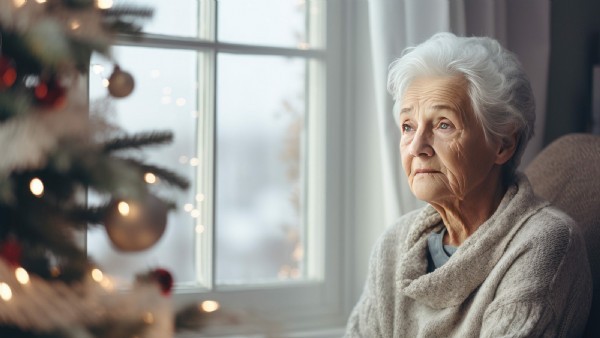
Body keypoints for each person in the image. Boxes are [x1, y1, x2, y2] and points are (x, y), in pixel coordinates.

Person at [345, 33, 592, 337]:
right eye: (408, 126)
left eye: (443, 124)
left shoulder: (545, 242)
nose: (416, 146)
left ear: (503, 145)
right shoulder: (393, 246)